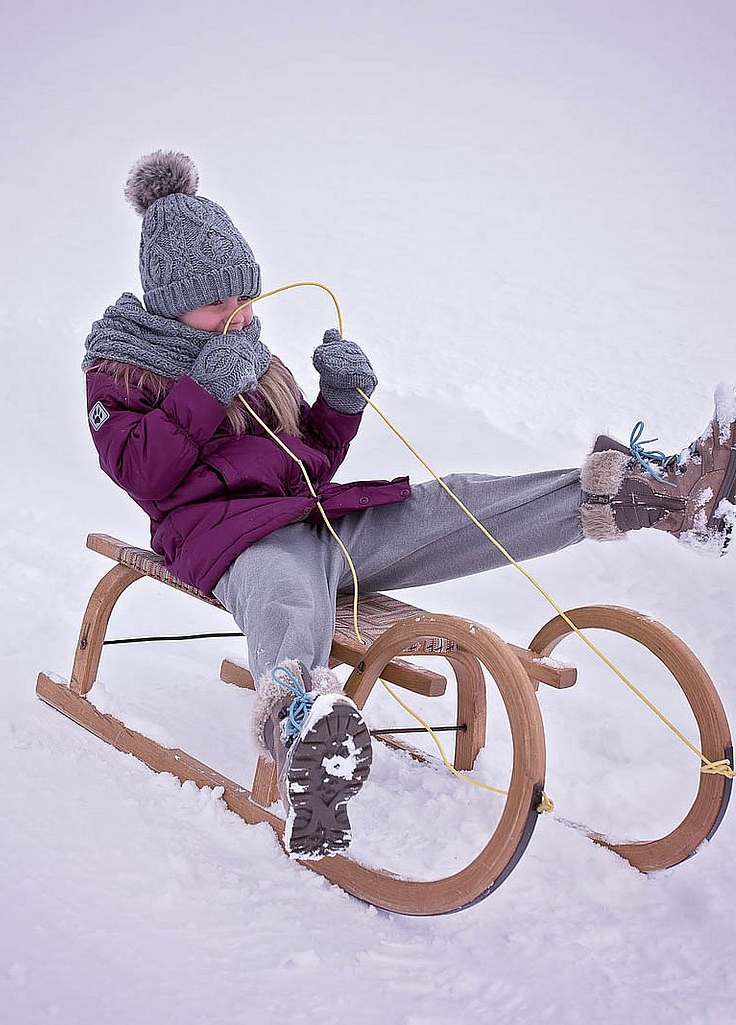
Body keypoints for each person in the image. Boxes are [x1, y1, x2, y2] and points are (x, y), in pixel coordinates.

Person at [82, 149, 736, 861]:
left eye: (248, 300)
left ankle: (643, 496)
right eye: (221, 305)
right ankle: (304, 737)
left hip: (321, 519)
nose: (241, 318)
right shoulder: (121, 369)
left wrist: (336, 405)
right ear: (169, 302)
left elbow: (310, 459)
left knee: (453, 501)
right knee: (285, 602)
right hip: (236, 545)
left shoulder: (250, 356)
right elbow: (141, 471)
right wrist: (205, 393)